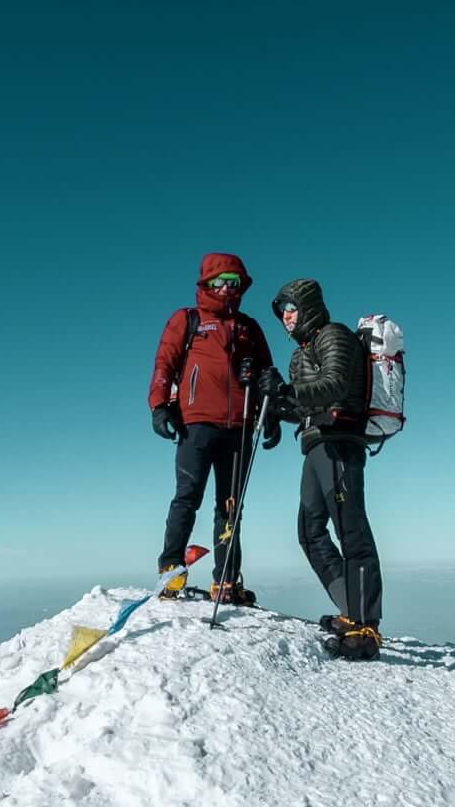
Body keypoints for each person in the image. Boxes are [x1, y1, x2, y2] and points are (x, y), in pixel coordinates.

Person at [260, 277, 384, 660]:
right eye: (282, 313)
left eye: (291, 309)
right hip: (314, 444)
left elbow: (332, 385)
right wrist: (276, 411)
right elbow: (303, 405)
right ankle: (352, 610)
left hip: (341, 442)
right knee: (310, 532)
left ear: (308, 305)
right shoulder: (299, 354)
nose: (286, 318)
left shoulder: (335, 336)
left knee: (351, 530)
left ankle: (366, 628)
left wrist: (289, 392)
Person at [148, 253, 279, 602]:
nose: (226, 288)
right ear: (205, 283)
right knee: (187, 498)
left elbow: (269, 377)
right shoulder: (187, 320)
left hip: (240, 426)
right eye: (219, 281)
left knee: (230, 506)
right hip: (197, 423)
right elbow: (166, 361)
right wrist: (159, 405)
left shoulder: (249, 328)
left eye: (233, 282)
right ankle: (171, 571)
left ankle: (226, 580)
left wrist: (272, 417)